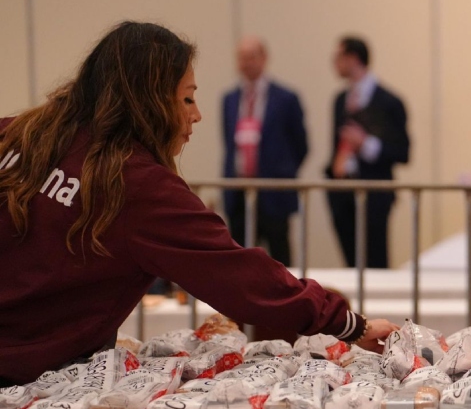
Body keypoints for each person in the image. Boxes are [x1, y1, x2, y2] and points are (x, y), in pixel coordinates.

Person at [0, 22, 397, 387]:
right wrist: (350, 325)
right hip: (27, 376)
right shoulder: (137, 186)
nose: (196, 115)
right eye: (187, 99)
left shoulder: (18, 135)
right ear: (150, 102)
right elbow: (241, 277)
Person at [221, 35, 309, 266]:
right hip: (239, 192)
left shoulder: (286, 99)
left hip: (274, 192)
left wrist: (281, 172)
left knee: (280, 255)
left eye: (251, 57)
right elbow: (228, 143)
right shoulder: (229, 99)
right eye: (241, 58)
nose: (246, 63)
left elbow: (301, 146)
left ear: (264, 58)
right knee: (239, 258)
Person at [325, 36, 410, 268]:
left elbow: (403, 151)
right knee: (351, 263)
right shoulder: (340, 100)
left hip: (374, 194)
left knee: (375, 262)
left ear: (353, 58)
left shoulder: (389, 101)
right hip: (343, 192)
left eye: (338, 57)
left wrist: (366, 144)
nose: (334, 63)